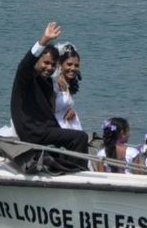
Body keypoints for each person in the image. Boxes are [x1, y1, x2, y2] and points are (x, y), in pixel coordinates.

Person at [10, 22, 88, 158]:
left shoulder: (46, 81)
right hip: (33, 131)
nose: (50, 68)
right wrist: (44, 40)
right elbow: (25, 64)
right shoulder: (26, 77)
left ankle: (67, 165)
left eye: (53, 64)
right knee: (80, 137)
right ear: (37, 61)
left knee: (73, 139)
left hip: (46, 129)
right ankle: (78, 172)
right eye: (46, 63)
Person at [53, 43, 83, 131]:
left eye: (76, 65)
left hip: (65, 119)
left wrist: (70, 111)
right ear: (60, 65)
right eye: (69, 64)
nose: (73, 68)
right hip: (54, 122)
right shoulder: (55, 83)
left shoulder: (67, 82)